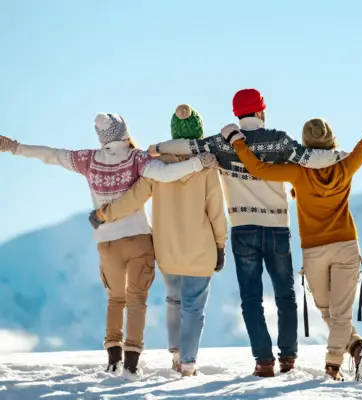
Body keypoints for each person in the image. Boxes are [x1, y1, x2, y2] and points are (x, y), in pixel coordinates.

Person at [221, 77, 362, 381]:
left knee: (329, 312)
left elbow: (258, 169)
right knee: (336, 314)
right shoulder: (346, 165)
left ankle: (333, 367)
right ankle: (356, 350)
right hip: (347, 246)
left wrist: (236, 141)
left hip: (314, 252)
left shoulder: (298, 173)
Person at [147, 89, 348, 377]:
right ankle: (288, 359)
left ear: (237, 115)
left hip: (243, 229)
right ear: (262, 112)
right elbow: (310, 158)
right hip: (277, 228)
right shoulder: (278, 140)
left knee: (251, 298)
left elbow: (187, 145)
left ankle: (263, 362)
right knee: (285, 296)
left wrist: (157, 147)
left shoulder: (220, 143)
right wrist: (343, 156)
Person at [0, 113, 216, 375]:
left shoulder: (88, 160)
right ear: (124, 130)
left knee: (115, 300)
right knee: (137, 302)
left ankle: (114, 359)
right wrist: (198, 164)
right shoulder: (137, 159)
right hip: (138, 239)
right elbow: (167, 174)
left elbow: (52, 154)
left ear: (102, 137)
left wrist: (15, 147)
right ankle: (132, 364)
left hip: (108, 243)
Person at [88, 105, 227, 377]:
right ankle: (188, 363)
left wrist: (105, 213)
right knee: (194, 307)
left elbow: (133, 198)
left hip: (167, 250)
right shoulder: (207, 167)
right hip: (201, 250)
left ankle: (176, 354)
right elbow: (216, 212)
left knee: (174, 300)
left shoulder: (157, 166)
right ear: (197, 134)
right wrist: (220, 245)